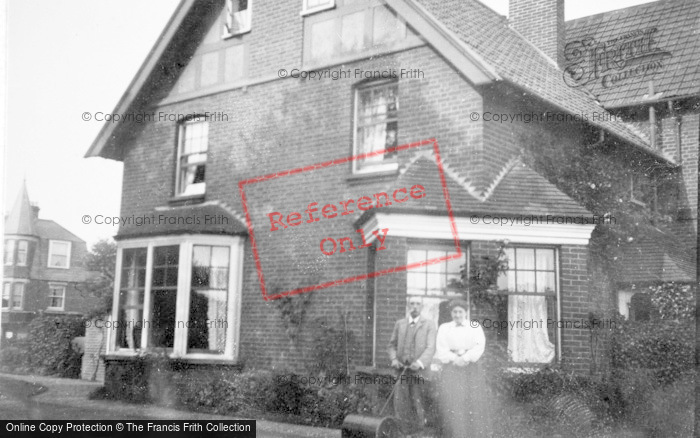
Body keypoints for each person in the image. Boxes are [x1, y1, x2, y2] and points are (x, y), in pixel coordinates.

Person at [435, 299, 488, 437]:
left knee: (472, 401)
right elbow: (441, 349)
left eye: (460, 312)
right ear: (451, 313)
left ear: (466, 312)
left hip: (471, 368)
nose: (457, 315)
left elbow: (479, 346)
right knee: (453, 402)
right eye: (454, 312)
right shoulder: (444, 328)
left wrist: (465, 358)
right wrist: (455, 359)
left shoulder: (474, 326)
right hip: (451, 369)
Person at [388, 297, 436, 432]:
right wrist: (394, 359)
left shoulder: (429, 325)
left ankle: (418, 431)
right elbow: (391, 345)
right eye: (412, 304)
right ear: (408, 306)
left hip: (419, 371)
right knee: (400, 401)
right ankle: (402, 431)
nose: (415, 306)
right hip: (401, 370)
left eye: (418, 304)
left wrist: (420, 363)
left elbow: (431, 347)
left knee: (417, 400)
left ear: (422, 306)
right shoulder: (400, 324)